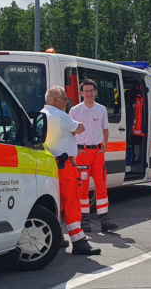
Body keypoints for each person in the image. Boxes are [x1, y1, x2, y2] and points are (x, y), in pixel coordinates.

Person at [42, 86, 101, 255]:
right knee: (72, 202)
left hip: (50, 164)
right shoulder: (61, 116)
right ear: (55, 100)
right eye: (65, 99)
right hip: (65, 165)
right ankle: (79, 241)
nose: (67, 102)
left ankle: (58, 236)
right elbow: (80, 128)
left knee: (57, 203)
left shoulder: (42, 114)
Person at [69, 79, 119, 234]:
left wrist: (103, 148)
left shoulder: (102, 110)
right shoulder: (75, 111)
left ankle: (105, 220)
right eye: (86, 91)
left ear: (95, 92)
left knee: (101, 187)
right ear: (81, 93)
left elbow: (105, 130)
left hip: (97, 154)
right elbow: (69, 133)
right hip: (82, 154)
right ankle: (84, 220)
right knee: (83, 189)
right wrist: (75, 150)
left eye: (91, 91)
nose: (89, 94)